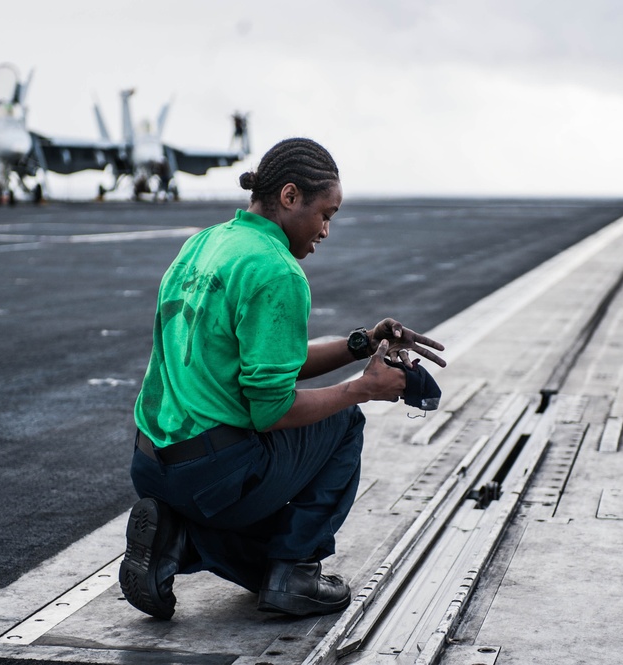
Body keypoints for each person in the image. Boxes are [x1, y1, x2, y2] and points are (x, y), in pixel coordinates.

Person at [121, 137, 446, 620]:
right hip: (214, 475)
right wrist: (363, 388)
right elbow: (272, 412)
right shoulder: (277, 270)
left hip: (152, 465)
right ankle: (294, 573)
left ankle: (178, 538)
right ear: (290, 197)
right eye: (325, 214)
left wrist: (361, 342)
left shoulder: (205, 244)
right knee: (345, 423)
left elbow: (271, 366)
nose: (327, 230)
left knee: (258, 567)